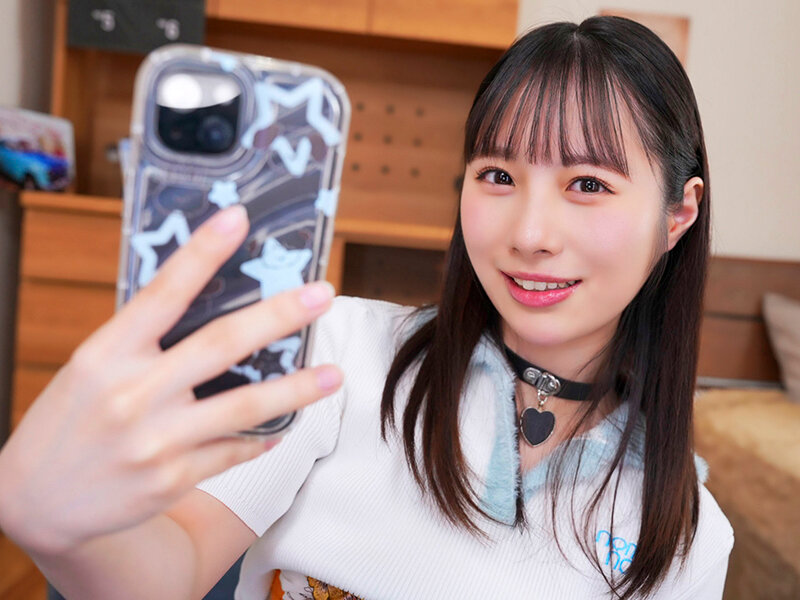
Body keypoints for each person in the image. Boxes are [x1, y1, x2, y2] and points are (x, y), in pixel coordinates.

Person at [0, 15, 733, 600]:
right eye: (498, 175)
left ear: (678, 213)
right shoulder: (338, 356)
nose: (530, 234)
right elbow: (175, 564)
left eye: (588, 184)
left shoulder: (692, 540)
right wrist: (61, 528)